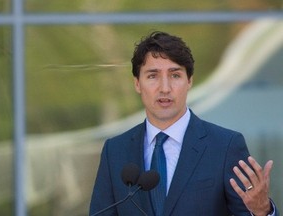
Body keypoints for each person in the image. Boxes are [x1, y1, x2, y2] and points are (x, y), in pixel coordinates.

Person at [89, 31, 278, 216]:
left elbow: (248, 211)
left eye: (175, 75)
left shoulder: (225, 146)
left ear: (189, 81)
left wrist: (262, 211)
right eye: (153, 76)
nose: (165, 88)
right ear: (137, 84)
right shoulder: (115, 151)